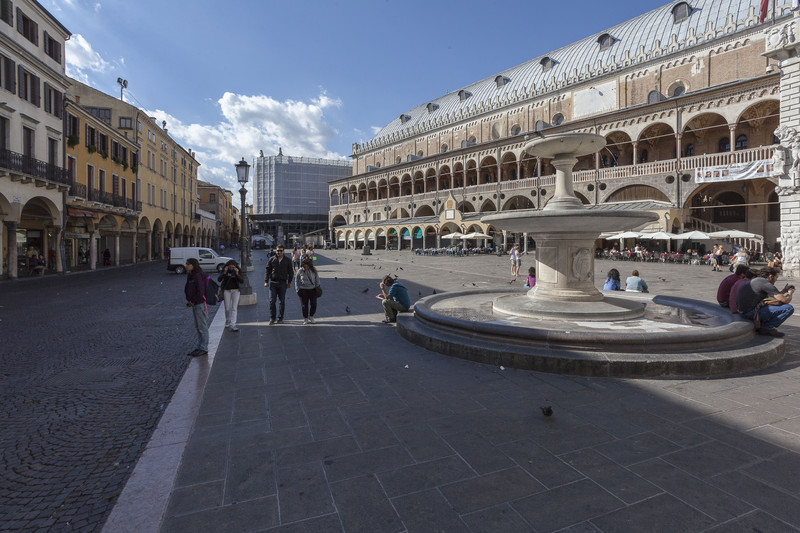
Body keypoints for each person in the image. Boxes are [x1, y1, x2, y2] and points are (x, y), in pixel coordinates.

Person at [737, 267, 794, 336]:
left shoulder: (758, 281)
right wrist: (790, 293)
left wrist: (784, 290)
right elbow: (785, 300)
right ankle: (766, 327)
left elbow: (774, 296)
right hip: (750, 313)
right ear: (770, 276)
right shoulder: (766, 284)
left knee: (772, 304)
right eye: (776, 277)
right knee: (788, 308)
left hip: (742, 311)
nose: (776, 280)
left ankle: (764, 324)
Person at [184, 258, 209, 356]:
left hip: (199, 303)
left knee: (202, 326)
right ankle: (200, 346)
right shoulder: (191, 275)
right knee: (198, 326)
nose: (185, 265)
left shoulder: (197, 276)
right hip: (194, 303)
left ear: (193, 265)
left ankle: (203, 347)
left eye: (187, 264)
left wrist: (194, 300)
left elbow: (200, 291)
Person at [265, 245, 294, 324]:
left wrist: (289, 282)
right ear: (276, 251)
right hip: (273, 283)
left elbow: (291, 273)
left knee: (282, 301)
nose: (279, 252)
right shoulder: (272, 259)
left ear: (283, 251)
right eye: (278, 251)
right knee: (272, 301)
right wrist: (266, 281)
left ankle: (280, 318)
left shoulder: (287, 260)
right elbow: (267, 270)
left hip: (282, 283)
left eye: (281, 251)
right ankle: (272, 317)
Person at [218, 260, 244, 331]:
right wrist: (224, 272)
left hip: (236, 290)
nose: (232, 268)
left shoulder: (237, 270)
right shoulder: (225, 270)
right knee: (227, 308)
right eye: (230, 267)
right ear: (228, 266)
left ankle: (233, 324)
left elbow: (242, 281)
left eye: (233, 267)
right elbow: (219, 279)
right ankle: (227, 320)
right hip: (227, 290)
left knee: (234, 308)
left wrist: (237, 273)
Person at [295, 257, 320, 324]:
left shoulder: (313, 270)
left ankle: (311, 316)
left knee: (313, 304)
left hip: (312, 289)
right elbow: (296, 280)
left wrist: (317, 286)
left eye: (306, 265)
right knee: (304, 305)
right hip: (303, 290)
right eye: (304, 265)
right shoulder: (300, 270)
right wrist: (297, 289)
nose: (305, 266)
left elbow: (317, 279)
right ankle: (305, 318)